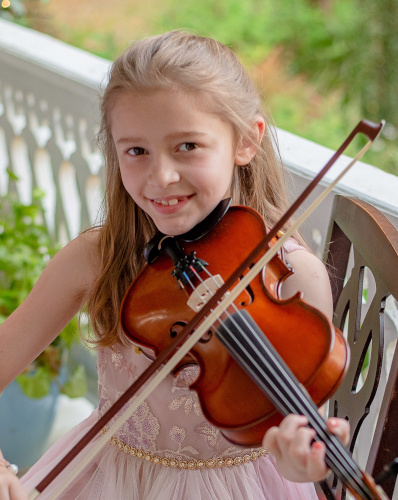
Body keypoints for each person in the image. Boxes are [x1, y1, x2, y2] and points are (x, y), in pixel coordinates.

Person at [0, 31, 349, 499]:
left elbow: (295, 433)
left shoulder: (290, 277)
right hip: (108, 479)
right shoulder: (98, 258)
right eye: (137, 151)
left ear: (246, 141)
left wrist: (300, 461)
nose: (161, 176)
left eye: (187, 146)